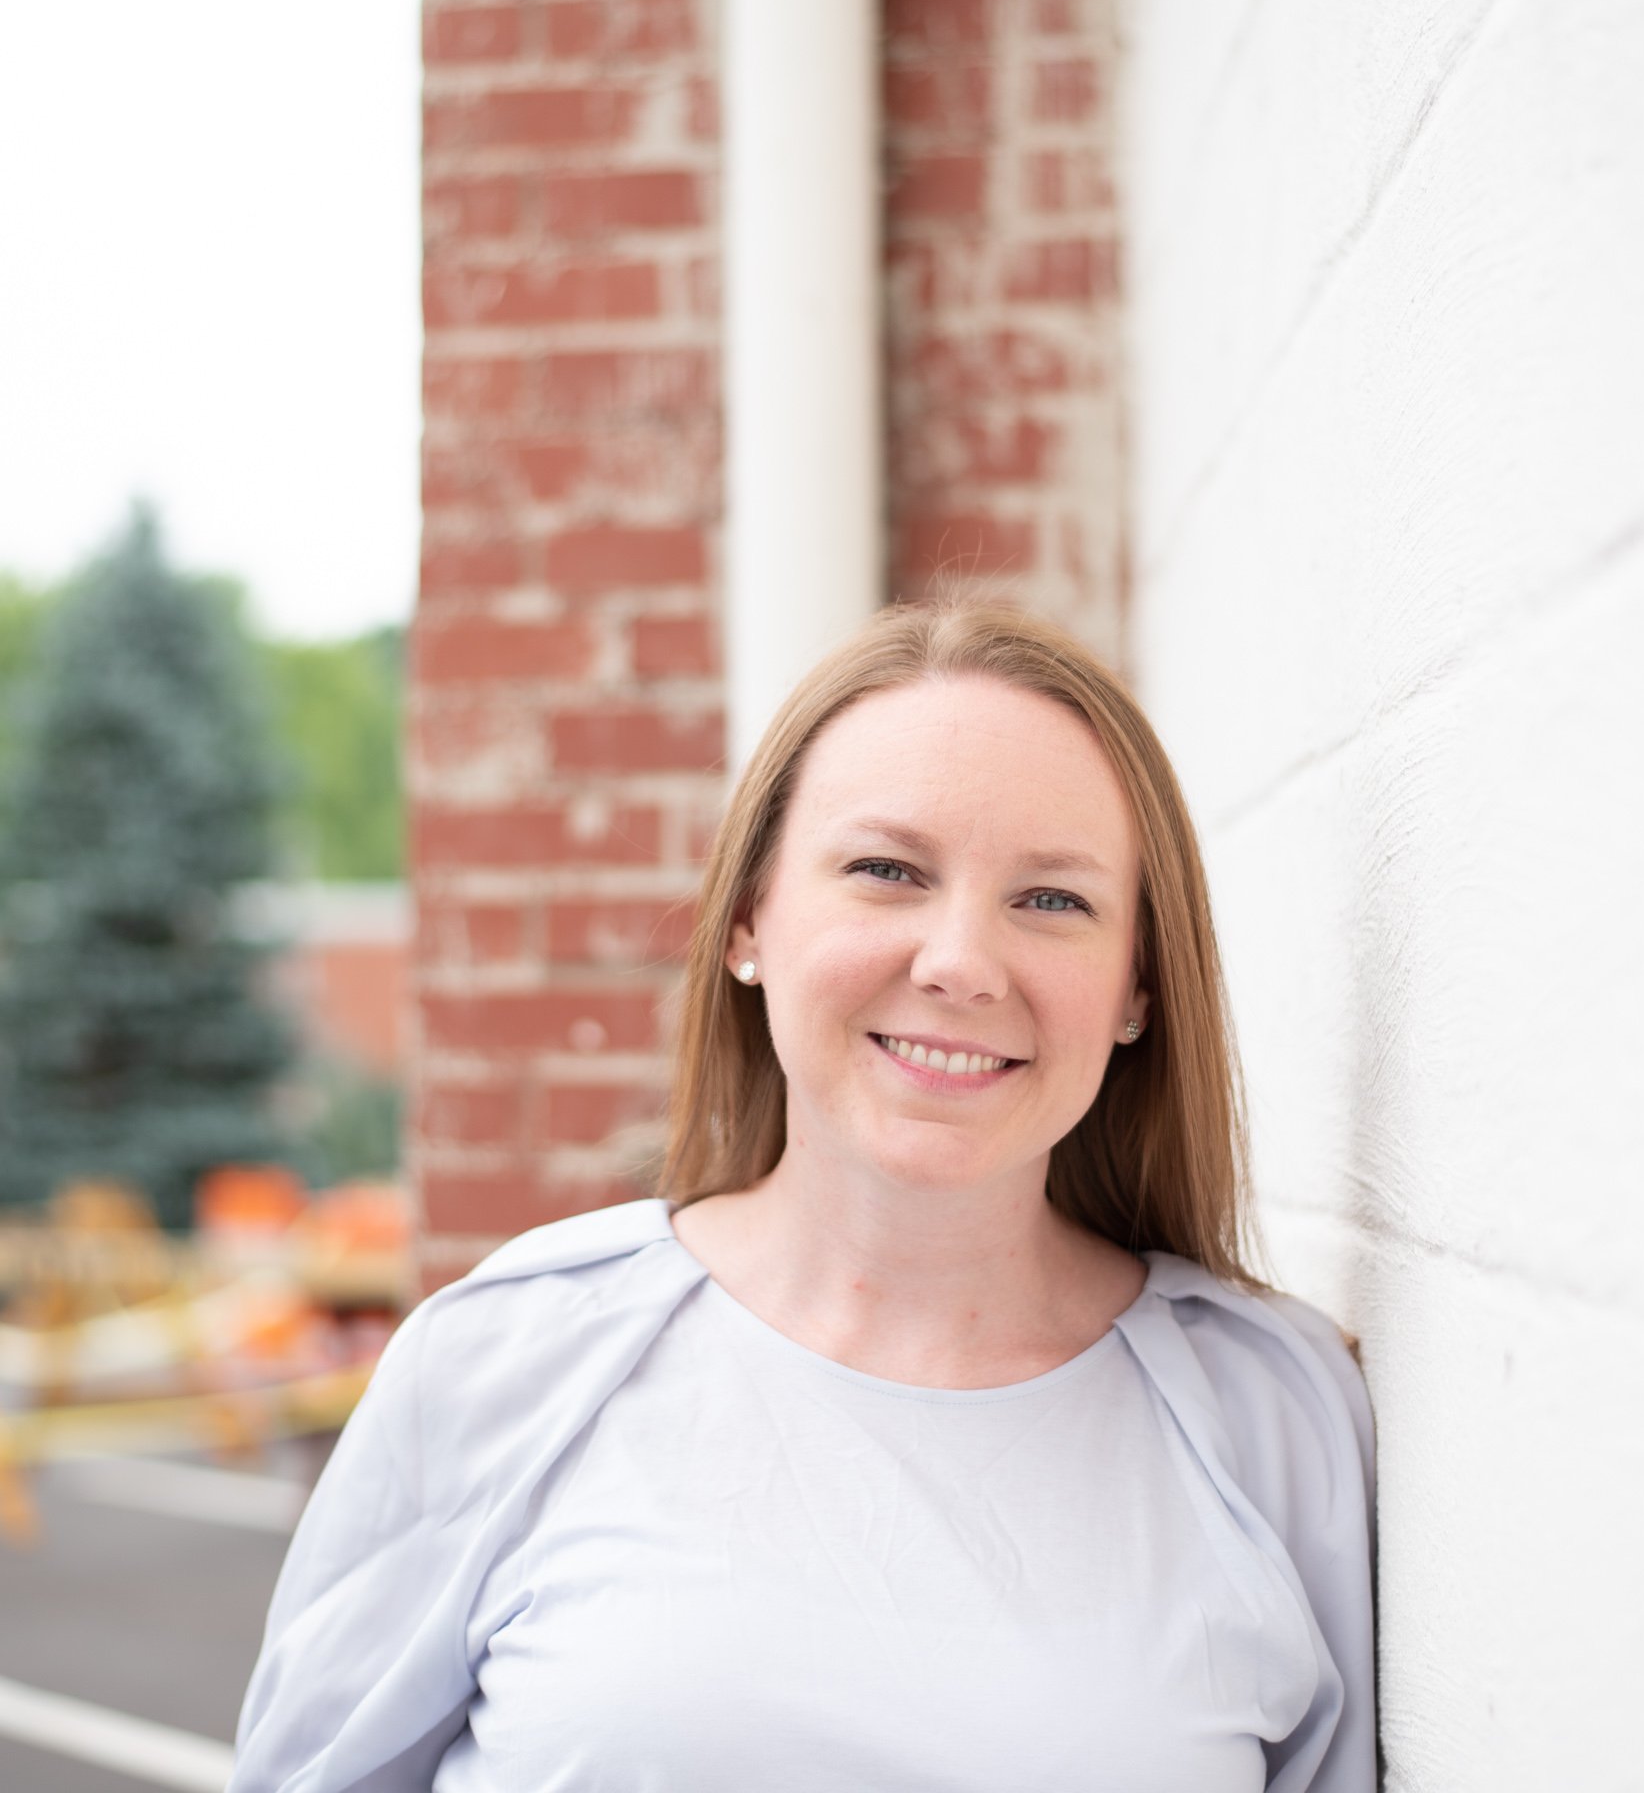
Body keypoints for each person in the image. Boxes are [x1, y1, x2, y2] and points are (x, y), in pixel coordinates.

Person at [231, 600, 1377, 1791]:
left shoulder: (1268, 1419)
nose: (960, 963)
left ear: (1137, 986)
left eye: (1052, 900)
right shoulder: (504, 1361)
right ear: (746, 923)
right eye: (886, 870)